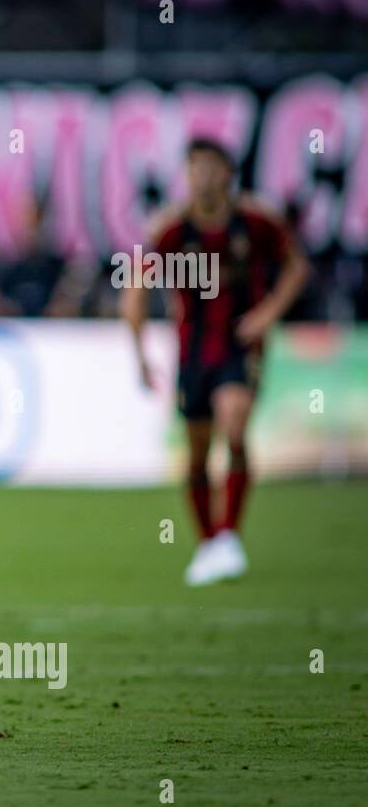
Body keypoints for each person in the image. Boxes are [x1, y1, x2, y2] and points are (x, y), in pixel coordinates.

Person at [122, 138, 308, 586]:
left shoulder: (256, 222)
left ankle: (228, 534)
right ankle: (210, 542)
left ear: (227, 172)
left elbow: (296, 267)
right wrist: (141, 354)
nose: (202, 176)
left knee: (235, 425)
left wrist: (266, 315)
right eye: (194, 168)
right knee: (198, 453)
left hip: (240, 346)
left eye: (210, 167)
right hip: (192, 352)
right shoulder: (172, 230)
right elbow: (134, 290)